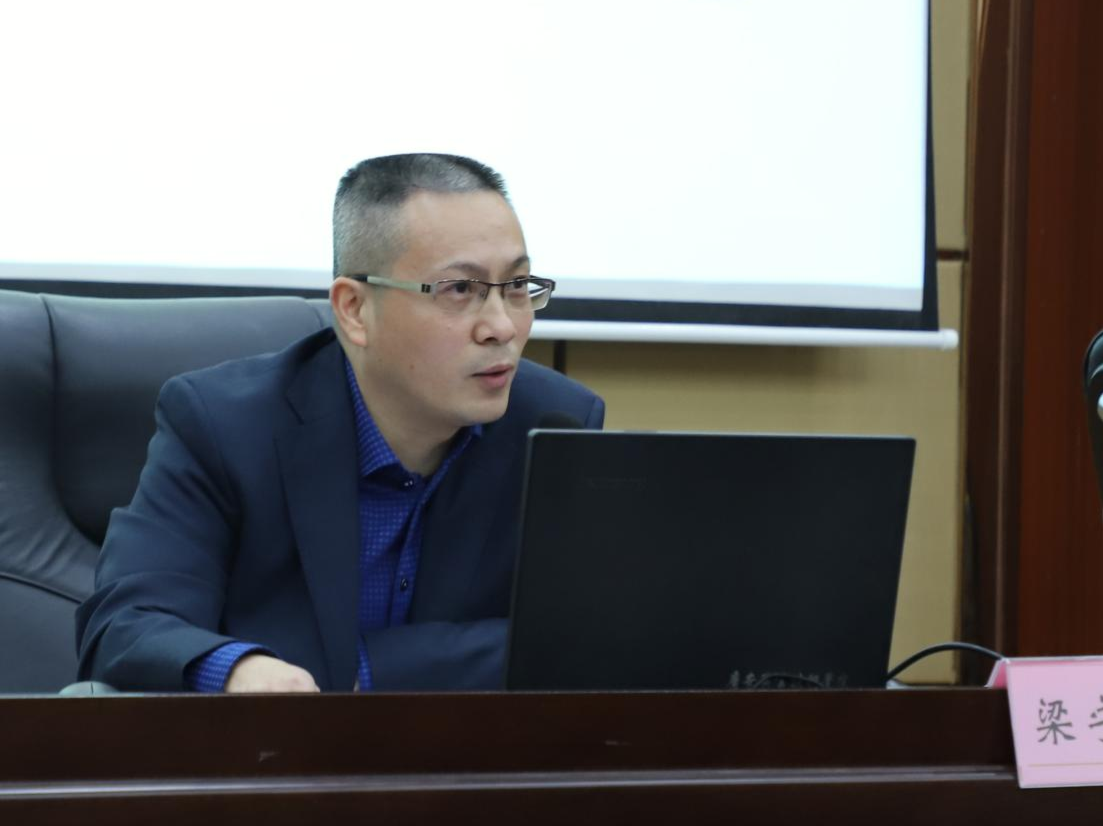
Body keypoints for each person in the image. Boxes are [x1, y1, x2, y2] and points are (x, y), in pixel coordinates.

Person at [75, 154, 605, 692]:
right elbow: (124, 628)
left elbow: (588, 637)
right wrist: (235, 670)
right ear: (354, 310)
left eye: (517, 285)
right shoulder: (224, 426)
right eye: (459, 290)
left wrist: (370, 671)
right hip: (267, 742)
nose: (502, 327)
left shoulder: (555, 426)